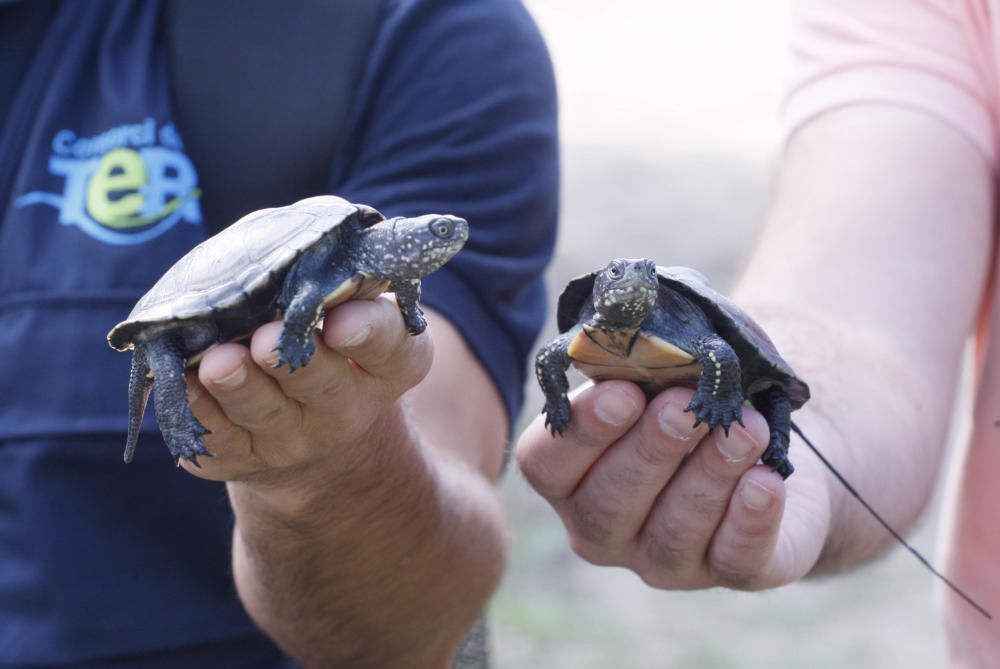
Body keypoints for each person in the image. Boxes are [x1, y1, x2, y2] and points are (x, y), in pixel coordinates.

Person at [0, 1, 557, 667]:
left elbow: (420, 619)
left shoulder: (431, 33)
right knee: (167, 357)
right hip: (195, 307)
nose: (447, 240)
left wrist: (332, 466)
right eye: (435, 234)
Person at [516, 0, 998, 665]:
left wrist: (737, 403)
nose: (627, 286)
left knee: (761, 385)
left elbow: (719, 353)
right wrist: (559, 400)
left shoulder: (679, 324)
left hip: (707, 365)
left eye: (638, 279)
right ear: (602, 292)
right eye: (617, 281)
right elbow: (863, 297)